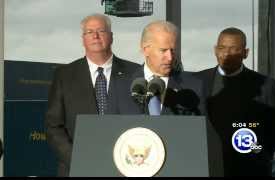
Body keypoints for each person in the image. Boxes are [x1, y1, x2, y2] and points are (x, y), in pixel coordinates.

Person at [116, 20, 224, 176]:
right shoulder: (120, 85)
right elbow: (110, 133)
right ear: (145, 49)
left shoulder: (194, 87)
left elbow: (205, 139)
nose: (169, 57)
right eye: (163, 50)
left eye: (173, 50)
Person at [45, 13, 140, 176]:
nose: (95, 36)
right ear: (83, 39)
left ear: (111, 36)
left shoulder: (135, 73)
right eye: (89, 32)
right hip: (77, 168)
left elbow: (143, 120)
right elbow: (53, 126)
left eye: (101, 31)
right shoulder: (64, 75)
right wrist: (77, 158)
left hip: (126, 167)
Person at [195, 27, 275, 176]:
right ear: (215, 50)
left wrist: (257, 154)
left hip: (250, 169)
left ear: (245, 53)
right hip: (206, 168)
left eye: (234, 49)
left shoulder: (265, 85)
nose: (226, 54)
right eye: (222, 48)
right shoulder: (198, 81)